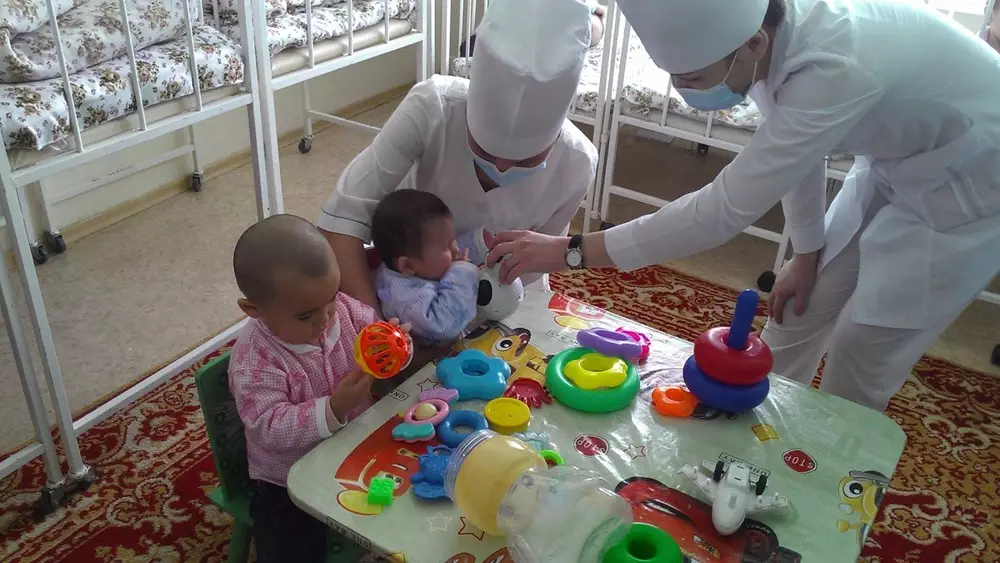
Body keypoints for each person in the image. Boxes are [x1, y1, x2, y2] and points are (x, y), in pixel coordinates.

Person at [486, 0, 1000, 412]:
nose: (683, 90)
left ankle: (835, 476)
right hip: (895, 160)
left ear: (754, 44)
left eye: (692, 78)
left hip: (972, 184)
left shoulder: (835, 65)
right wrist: (807, 252)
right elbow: (798, 146)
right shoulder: (772, 38)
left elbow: (721, 212)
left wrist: (572, 250)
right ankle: (761, 435)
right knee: (798, 308)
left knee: (862, 347)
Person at [316, 0, 599, 316]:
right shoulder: (432, 107)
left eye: (525, 162)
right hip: (411, 286)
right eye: (483, 152)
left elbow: (535, 263)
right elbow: (342, 219)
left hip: (507, 294)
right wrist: (374, 324)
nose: (501, 169)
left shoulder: (577, 163)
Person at [228, 215, 412, 563]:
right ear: (254, 310)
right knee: (289, 547)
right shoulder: (255, 361)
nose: (326, 317)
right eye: (305, 315)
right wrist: (332, 409)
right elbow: (268, 426)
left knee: (411, 486)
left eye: (332, 297)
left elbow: (377, 344)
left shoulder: (345, 311)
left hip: (358, 445)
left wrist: (396, 348)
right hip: (287, 477)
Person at [372, 189, 487, 345]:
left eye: (453, 239)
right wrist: (463, 273)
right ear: (407, 265)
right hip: (434, 357)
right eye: (446, 246)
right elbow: (445, 324)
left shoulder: (412, 268)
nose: (456, 249)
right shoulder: (406, 300)